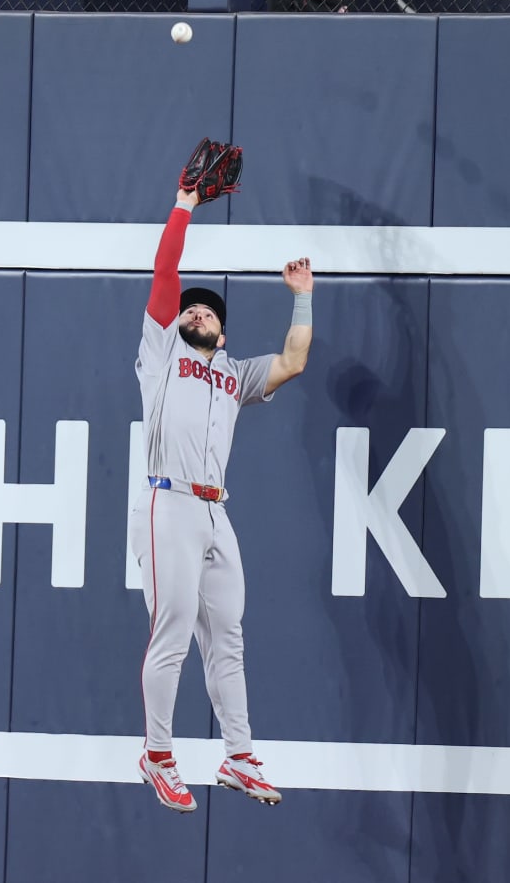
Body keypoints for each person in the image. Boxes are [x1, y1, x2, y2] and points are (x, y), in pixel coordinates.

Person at [133, 164, 313, 812]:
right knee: (173, 633)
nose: (197, 311)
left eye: (208, 310)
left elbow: (293, 361)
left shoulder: (234, 374)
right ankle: (157, 755)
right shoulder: (162, 354)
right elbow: (166, 274)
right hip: (168, 500)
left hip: (215, 512)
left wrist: (302, 296)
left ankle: (239, 757)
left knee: (227, 640)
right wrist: (184, 203)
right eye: (192, 308)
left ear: (223, 332)